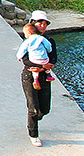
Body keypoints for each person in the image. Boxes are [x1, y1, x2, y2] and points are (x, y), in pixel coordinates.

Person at [19, 10, 57, 148]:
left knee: (44, 109)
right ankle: (33, 134)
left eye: (45, 23)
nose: (43, 25)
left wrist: (42, 68)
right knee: (33, 108)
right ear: (33, 24)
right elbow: (25, 59)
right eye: (40, 22)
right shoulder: (28, 41)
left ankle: (36, 118)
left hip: (44, 77)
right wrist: (40, 65)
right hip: (29, 77)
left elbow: (53, 58)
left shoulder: (49, 41)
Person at [16, 24, 54, 90]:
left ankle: (35, 79)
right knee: (46, 64)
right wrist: (49, 50)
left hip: (34, 59)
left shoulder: (28, 41)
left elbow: (23, 49)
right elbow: (48, 45)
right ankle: (48, 75)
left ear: (29, 33)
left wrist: (19, 56)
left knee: (34, 70)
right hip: (44, 59)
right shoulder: (42, 38)